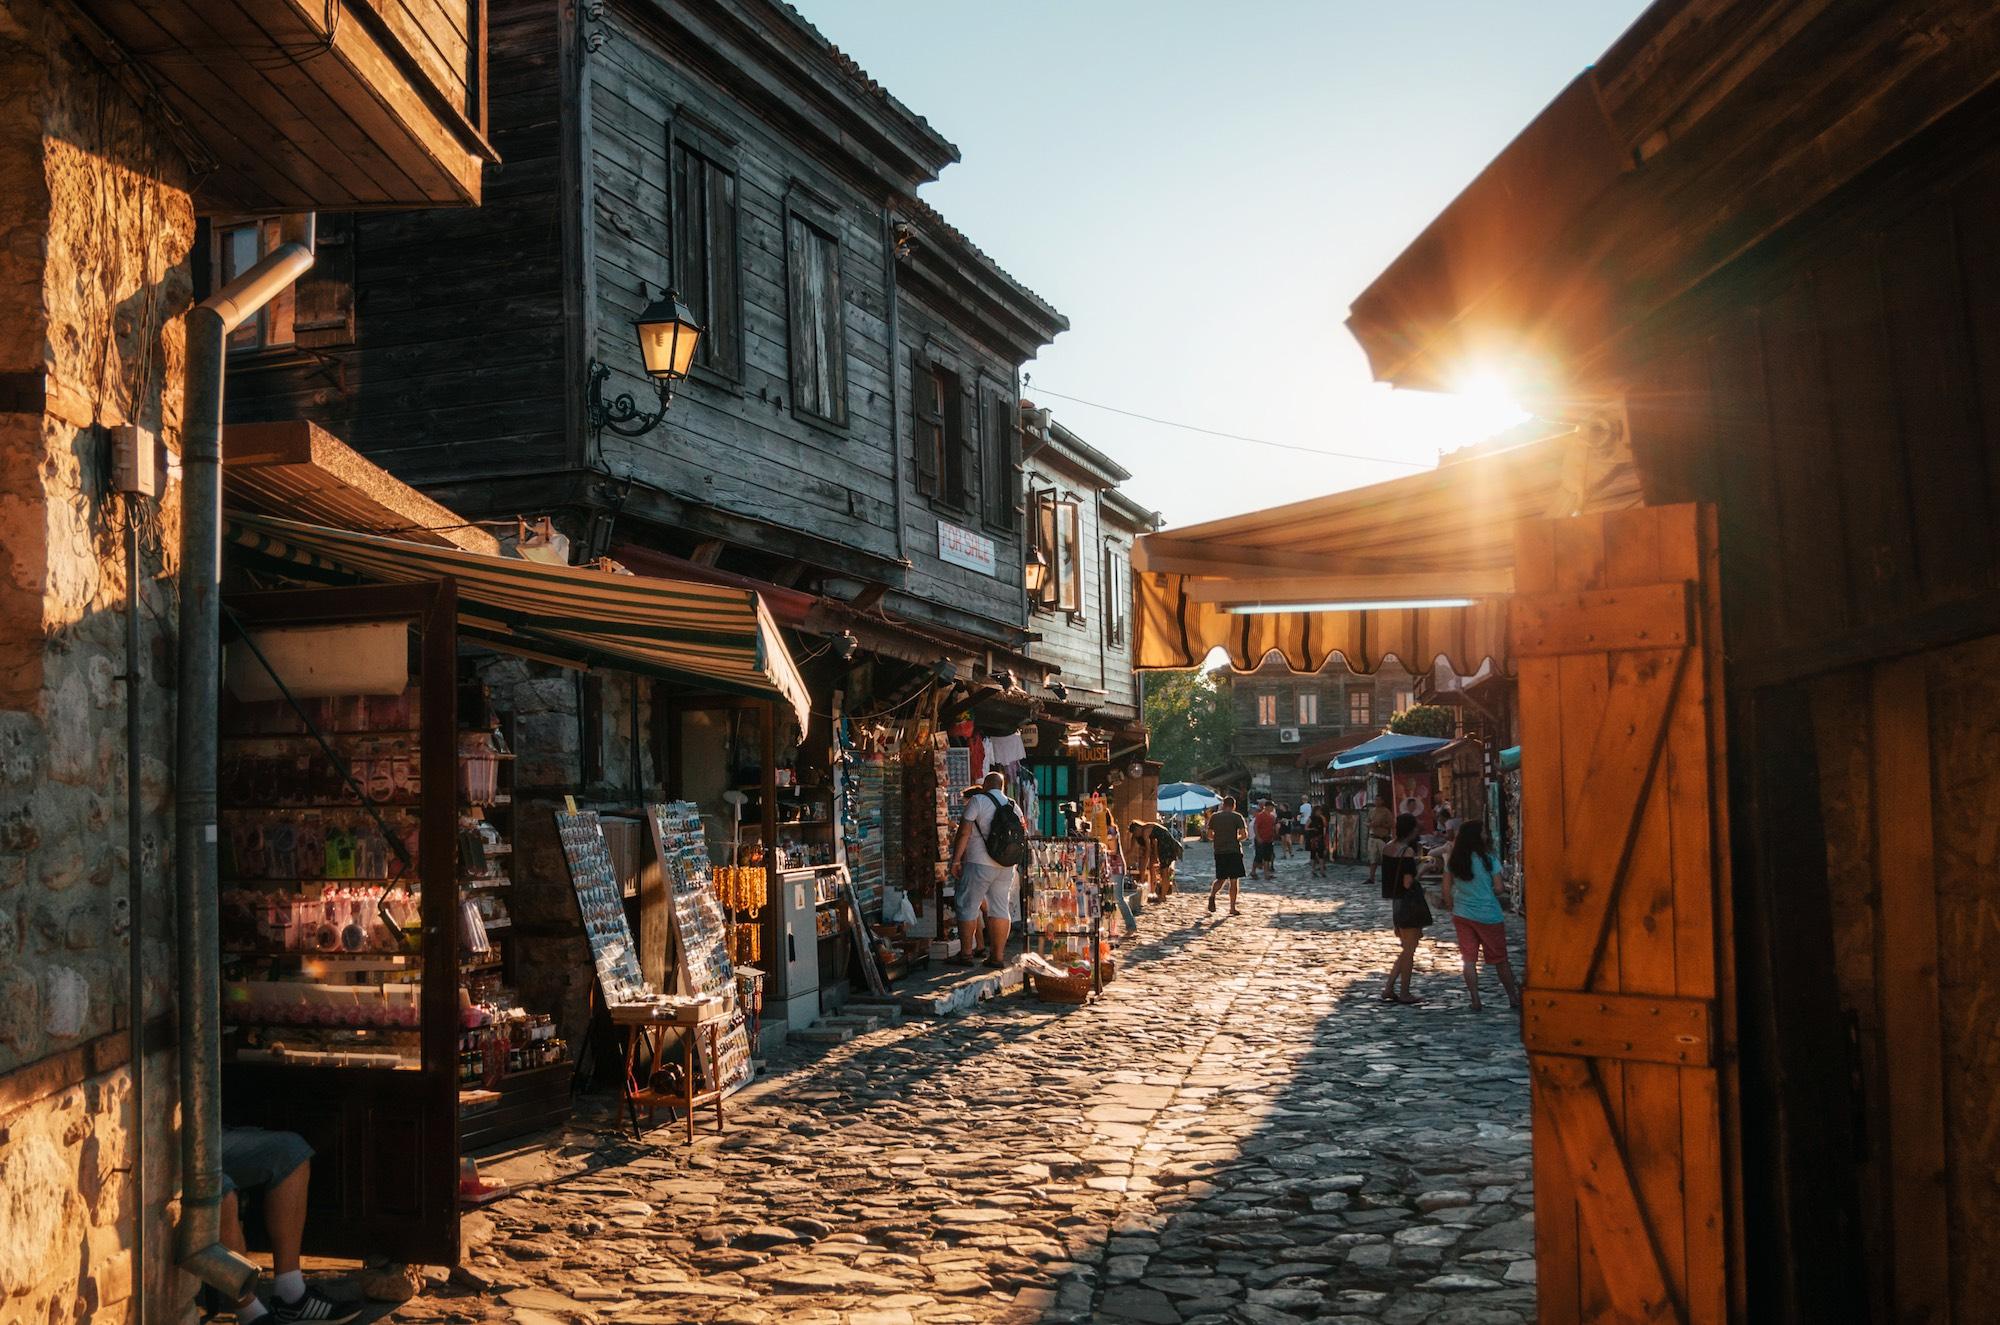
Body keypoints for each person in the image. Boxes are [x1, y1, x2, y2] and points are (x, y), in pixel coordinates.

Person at [218, 1126, 359, 1323]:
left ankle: (291, 1294)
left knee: (291, 1152)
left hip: (203, 1135)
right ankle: (251, 1314)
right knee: (216, 1190)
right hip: (174, 1151)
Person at [1440, 820, 1521, 1011]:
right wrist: (1489, 890)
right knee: (1500, 959)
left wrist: (1451, 906)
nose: (1486, 835)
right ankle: (1512, 997)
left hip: (1462, 913)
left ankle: (1475, 1000)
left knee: (1469, 960)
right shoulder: (1488, 859)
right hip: (1488, 915)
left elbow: (1445, 889)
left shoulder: (1454, 860)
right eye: (1483, 832)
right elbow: (1499, 888)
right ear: (1477, 836)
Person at [950, 770, 1022, 969]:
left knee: (968, 906)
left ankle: (966, 954)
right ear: (1002, 787)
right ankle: (997, 957)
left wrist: (956, 860)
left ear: (985, 785)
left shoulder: (978, 801)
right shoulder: (1014, 806)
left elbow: (964, 832)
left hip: (978, 863)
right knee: (1000, 908)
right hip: (1006, 865)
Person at [1378, 813, 1432, 1005]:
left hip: (1396, 902)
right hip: (1409, 903)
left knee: (1406, 949)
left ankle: (1389, 988)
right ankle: (1404, 992)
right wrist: (1423, 869)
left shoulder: (1387, 847)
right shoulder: (1406, 851)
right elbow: (1408, 882)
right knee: (1409, 951)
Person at [1206, 796, 1246, 916]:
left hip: (1220, 851)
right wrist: (1236, 839)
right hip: (1234, 851)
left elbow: (1209, 835)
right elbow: (1244, 835)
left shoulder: (1215, 817)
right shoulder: (1237, 817)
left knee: (1221, 878)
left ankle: (1212, 895)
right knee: (1234, 880)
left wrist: (1219, 838)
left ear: (1223, 805)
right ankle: (1232, 908)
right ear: (1234, 805)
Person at [1250, 800, 1280, 879]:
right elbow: (1255, 826)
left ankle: (1267, 874)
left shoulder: (1272, 817)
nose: (1273, 808)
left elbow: (1273, 826)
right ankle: (1253, 871)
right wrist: (1258, 837)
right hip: (1261, 839)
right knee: (1258, 857)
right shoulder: (1260, 815)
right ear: (1267, 807)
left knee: (1267, 857)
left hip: (1269, 839)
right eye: (1272, 807)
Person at [1303, 808, 1330, 878]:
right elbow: (1306, 827)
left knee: (1321, 854)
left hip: (1320, 837)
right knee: (1313, 854)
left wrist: (1323, 818)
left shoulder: (1321, 818)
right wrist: (1312, 829)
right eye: (1318, 811)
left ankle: (1322, 870)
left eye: (1320, 811)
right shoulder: (1311, 818)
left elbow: (1325, 826)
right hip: (1313, 838)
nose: (1319, 812)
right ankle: (1313, 870)